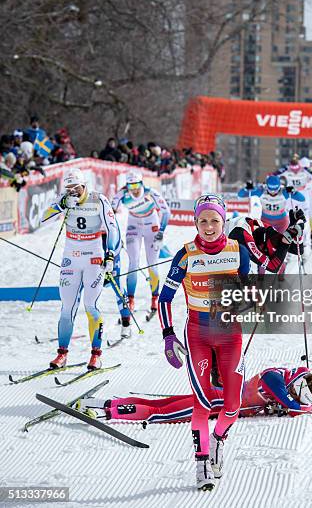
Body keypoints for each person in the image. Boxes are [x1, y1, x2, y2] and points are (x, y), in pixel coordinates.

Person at [158, 193, 250, 491]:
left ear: (224, 221)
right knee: (203, 401)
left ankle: (218, 439)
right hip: (197, 333)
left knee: (233, 405)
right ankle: (201, 462)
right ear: (195, 222)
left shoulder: (239, 252)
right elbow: (164, 300)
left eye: (214, 220)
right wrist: (168, 335)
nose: (208, 226)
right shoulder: (185, 254)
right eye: (202, 220)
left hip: (229, 333)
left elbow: (248, 291)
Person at [41, 168, 121, 370]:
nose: (72, 192)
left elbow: (113, 229)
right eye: (68, 188)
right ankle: (62, 354)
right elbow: (44, 217)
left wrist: (111, 254)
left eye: (75, 187)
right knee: (66, 308)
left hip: (93, 258)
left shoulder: (98, 199)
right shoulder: (64, 199)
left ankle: (96, 355)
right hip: (70, 259)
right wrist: (60, 205)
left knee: (91, 306)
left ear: (84, 185)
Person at [77, 365, 312, 423]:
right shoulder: (275, 380)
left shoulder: (278, 376)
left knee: (160, 403)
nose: (298, 396)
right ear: (296, 382)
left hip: (216, 396)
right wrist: (310, 407)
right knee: (158, 412)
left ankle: (101, 403)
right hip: (214, 402)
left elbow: (286, 407)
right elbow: (294, 407)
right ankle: (108, 412)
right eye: (301, 391)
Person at [111, 170, 170, 321]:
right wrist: (114, 234)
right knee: (133, 264)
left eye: (137, 185)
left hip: (152, 226)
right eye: (131, 186)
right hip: (134, 225)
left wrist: (161, 232)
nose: (135, 190)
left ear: (142, 183)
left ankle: (155, 298)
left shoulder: (151, 193)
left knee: (152, 264)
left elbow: (166, 212)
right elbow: (109, 214)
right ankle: (130, 299)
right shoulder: (121, 194)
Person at [224, 210, 305, 274]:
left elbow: (297, 250)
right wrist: (287, 239)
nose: (270, 255)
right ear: (262, 247)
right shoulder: (245, 237)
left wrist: (295, 227)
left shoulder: (266, 230)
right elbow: (273, 267)